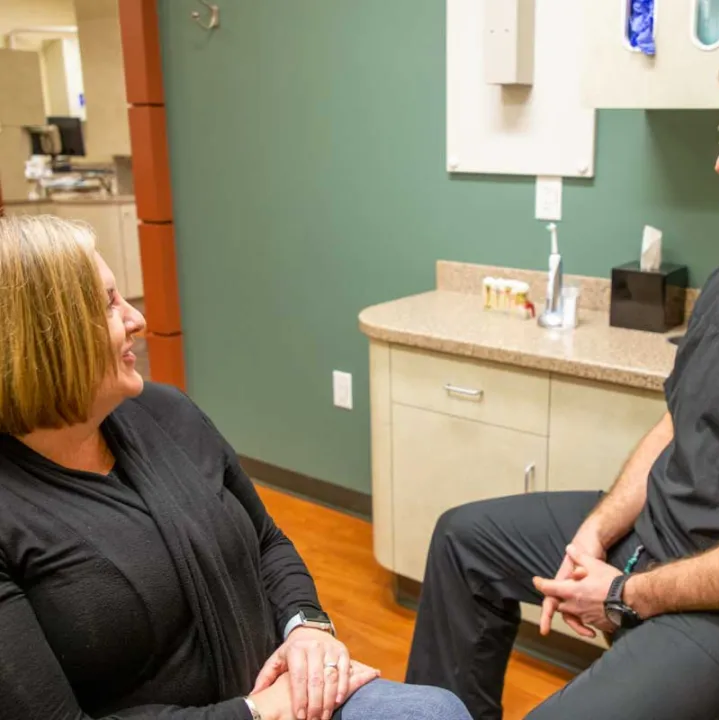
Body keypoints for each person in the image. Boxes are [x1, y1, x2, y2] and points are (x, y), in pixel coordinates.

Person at [405, 39, 719, 720]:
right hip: (661, 540)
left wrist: (625, 594)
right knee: (464, 540)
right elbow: (677, 422)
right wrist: (596, 532)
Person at [0, 213, 472, 720]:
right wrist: (259, 710)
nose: (136, 318)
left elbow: (267, 540)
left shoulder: (166, 413)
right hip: (259, 709)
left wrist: (306, 626)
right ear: (47, 340)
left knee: (434, 711)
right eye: (109, 304)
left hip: (281, 695)